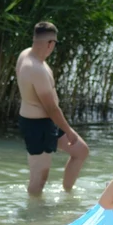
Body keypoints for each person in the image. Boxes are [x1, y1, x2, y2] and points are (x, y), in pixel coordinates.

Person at [16, 22, 89, 196]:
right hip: (37, 125)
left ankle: (67, 193)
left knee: (80, 151)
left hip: (48, 122)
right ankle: (34, 214)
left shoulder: (27, 54)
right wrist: (69, 131)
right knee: (39, 177)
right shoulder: (35, 68)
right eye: (54, 43)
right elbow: (51, 108)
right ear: (50, 43)